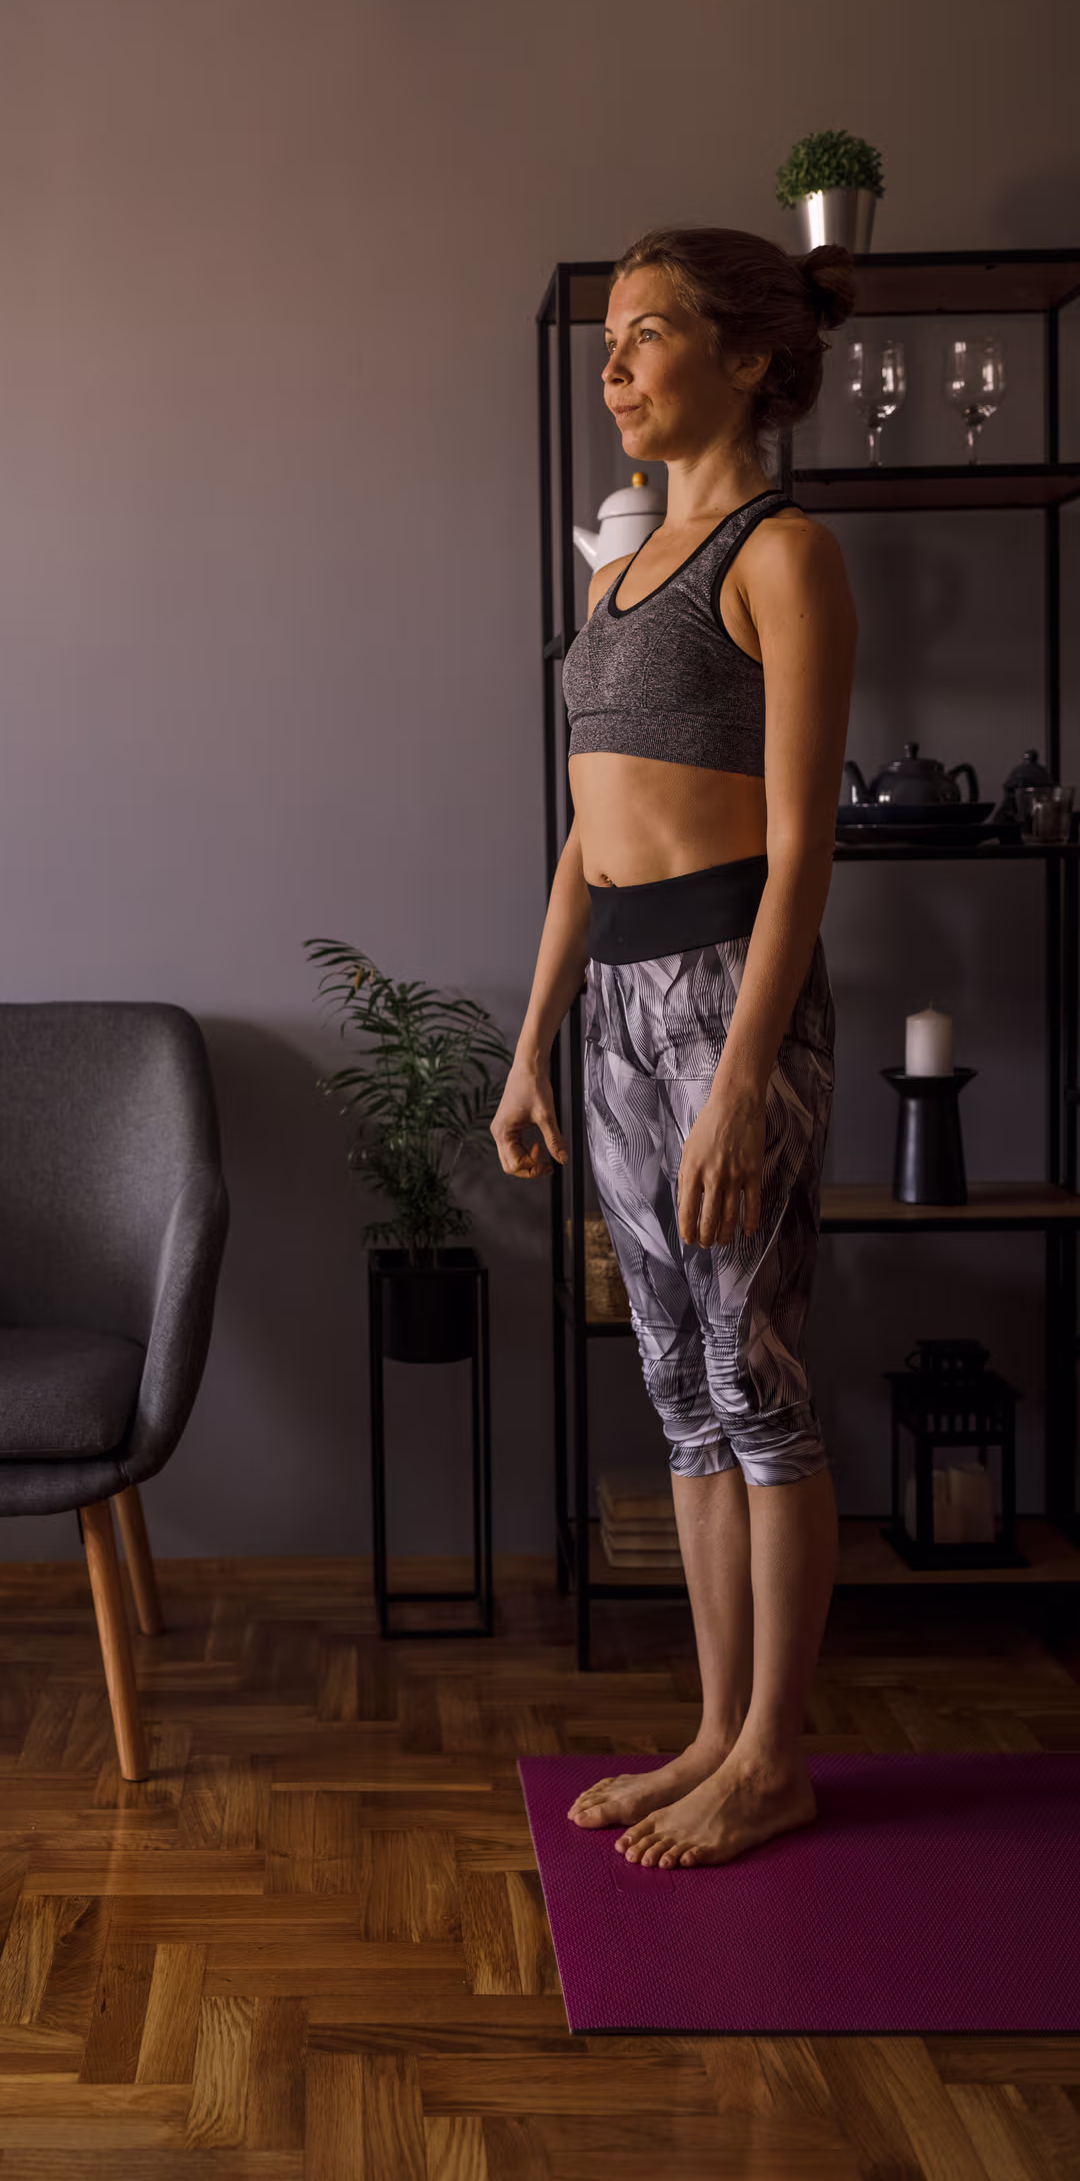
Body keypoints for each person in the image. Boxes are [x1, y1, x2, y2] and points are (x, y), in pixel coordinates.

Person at [492, 225, 859, 1869]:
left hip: (730, 997)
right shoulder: (621, 568)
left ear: (750, 360)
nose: (618, 365)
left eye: (650, 336)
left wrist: (736, 1081)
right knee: (674, 1388)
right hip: (623, 1005)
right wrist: (530, 1045)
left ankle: (774, 1755)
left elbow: (800, 857)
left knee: (757, 1384)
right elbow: (584, 840)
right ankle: (714, 1730)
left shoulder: (785, 556)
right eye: (615, 338)